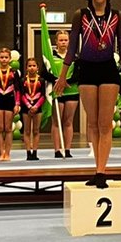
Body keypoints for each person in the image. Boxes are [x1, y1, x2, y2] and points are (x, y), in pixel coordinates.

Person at [54, 0, 121, 188]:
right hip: (87, 69)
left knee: (105, 123)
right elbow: (72, 48)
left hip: (108, 70)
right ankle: (97, 168)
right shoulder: (81, 15)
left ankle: (102, 171)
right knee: (92, 122)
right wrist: (63, 76)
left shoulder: (118, 16)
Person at [42, 30, 79, 158]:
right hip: (56, 91)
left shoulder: (74, 57)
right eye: (61, 40)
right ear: (56, 42)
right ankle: (57, 150)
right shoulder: (50, 56)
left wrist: (66, 82)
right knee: (57, 121)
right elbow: (44, 72)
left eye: (66, 40)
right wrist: (57, 81)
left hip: (72, 90)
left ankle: (67, 149)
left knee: (68, 121)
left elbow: (78, 74)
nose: (63, 42)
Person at [0, 48, 21, 161]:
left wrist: (17, 104)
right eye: (1, 57)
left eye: (6, 57)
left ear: (10, 59)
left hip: (10, 100)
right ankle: (0, 152)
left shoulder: (14, 73)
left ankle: (7, 153)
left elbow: (18, 90)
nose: (4, 59)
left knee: (8, 128)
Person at [21, 57, 46, 161]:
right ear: (26, 68)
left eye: (34, 66)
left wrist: (36, 106)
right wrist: (28, 106)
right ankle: (28, 152)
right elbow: (22, 94)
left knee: (36, 130)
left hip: (37, 107)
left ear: (37, 68)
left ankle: (35, 152)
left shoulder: (41, 80)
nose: (32, 68)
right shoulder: (23, 80)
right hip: (26, 107)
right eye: (29, 66)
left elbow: (43, 95)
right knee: (27, 131)